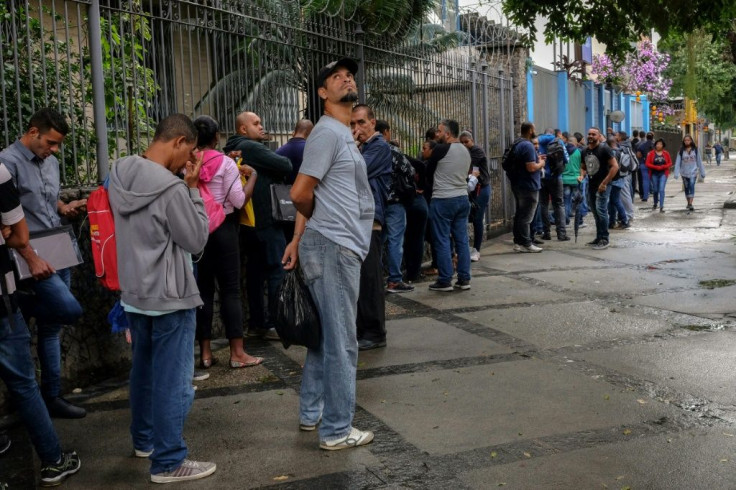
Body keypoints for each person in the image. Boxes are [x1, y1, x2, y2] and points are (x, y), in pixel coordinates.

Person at [108, 114, 216, 483]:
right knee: (173, 381)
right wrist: (192, 188)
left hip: (135, 293)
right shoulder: (171, 189)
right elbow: (196, 239)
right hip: (170, 296)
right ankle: (169, 461)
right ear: (180, 141)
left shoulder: (119, 172)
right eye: (187, 152)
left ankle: (145, 441)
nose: (187, 161)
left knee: (143, 372)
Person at [282, 57, 375, 450]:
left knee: (325, 339)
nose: (345, 79)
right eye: (336, 77)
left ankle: (311, 413)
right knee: (343, 342)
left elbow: (319, 192)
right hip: (336, 247)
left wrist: (302, 237)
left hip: (333, 245)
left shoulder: (339, 133)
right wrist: (320, 227)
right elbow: (300, 193)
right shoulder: (327, 134)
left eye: (348, 75)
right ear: (322, 93)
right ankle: (336, 430)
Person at [0, 108, 86, 419]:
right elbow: (6, 225)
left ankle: (51, 398)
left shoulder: (51, 162)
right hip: (29, 257)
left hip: (60, 249)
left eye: (58, 145)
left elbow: (47, 202)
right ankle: (22, 303)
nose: (54, 150)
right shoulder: (6, 164)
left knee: (53, 328)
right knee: (68, 310)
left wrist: (64, 206)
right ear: (33, 131)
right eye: (50, 143)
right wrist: (29, 257)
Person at [0, 162, 81, 487]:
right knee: (23, 385)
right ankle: (53, 460)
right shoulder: (3, 170)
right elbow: (18, 235)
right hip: (2, 302)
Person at [191, 116, 262, 370]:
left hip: (197, 231)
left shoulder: (189, 163)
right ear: (217, 136)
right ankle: (237, 353)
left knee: (203, 292)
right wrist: (252, 176)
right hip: (225, 229)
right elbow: (239, 200)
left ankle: (206, 354)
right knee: (231, 290)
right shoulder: (227, 164)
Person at [223, 112, 292, 341]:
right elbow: (285, 164)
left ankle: (256, 323)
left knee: (254, 273)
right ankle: (273, 323)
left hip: (246, 222)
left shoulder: (231, 148)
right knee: (275, 270)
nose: (261, 127)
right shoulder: (251, 147)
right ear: (243, 129)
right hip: (266, 220)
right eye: (256, 124)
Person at [351, 104, 392, 350]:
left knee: (370, 278)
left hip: (370, 221)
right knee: (360, 278)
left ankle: (375, 332)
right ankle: (363, 329)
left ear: (373, 123)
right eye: (352, 124)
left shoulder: (378, 146)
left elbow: (354, 170)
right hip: (358, 220)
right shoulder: (363, 147)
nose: (357, 129)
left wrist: (349, 144)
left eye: (361, 123)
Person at [425, 119, 472, 290]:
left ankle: (445, 279)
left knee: (442, 240)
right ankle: (464, 278)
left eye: (439, 131)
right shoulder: (466, 150)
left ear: (448, 133)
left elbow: (428, 172)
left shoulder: (440, 149)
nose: (436, 134)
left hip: (443, 199)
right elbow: (467, 174)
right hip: (462, 198)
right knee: (462, 240)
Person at [375, 119, 416, 293]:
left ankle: (375, 278)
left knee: (377, 241)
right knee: (395, 240)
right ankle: (394, 279)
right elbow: (410, 170)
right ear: (385, 132)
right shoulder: (391, 150)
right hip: (395, 202)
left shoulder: (367, 150)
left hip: (376, 202)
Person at [507, 123, 545, 252]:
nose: (535, 131)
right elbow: (531, 167)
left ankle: (518, 242)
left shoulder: (517, 143)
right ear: (530, 130)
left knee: (520, 214)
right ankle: (526, 243)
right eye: (534, 129)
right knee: (526, 216)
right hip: (528, 186)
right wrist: (541, 163)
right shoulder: (527, 145)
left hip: (518, 184)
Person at [580, 127, 619, 250]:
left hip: (603, 185)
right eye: (589, 134)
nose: (591, 136)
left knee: (601, 211)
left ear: (598, 136)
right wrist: (581, 175)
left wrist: (605, 183)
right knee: (596, 213)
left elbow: (615, 166)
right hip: (591, 185)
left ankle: (604, 238)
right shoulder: (584, 150)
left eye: (594, 134)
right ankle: (599, 236)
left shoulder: (604, 149)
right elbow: (583, 166)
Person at [276, 119, 314, 242]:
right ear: (311, 133)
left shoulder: (278, 152)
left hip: (283, 205)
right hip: (306, 206)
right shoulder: (311, 151)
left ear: (294, 132)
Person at [459, 131, 491, 260]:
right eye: (461, 142)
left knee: (477, 218)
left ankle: (476, 249)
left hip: (481, 189)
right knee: (467, 218)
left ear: (471, 141)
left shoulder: (476, 151)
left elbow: (468, 166)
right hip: (470, 189)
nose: (464, 144)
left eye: (466, 142)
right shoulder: (464, 153)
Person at [536, 129, 569, 241]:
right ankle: (561, 233)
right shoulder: (559, 142)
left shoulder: (537, 142)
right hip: (556, 177)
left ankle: (546, 232)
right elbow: (566, 159)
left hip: (541, 177)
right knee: (559, 204)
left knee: (543, 204)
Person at [674, 134, 706, 212]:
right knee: (686, 187)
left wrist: (702, 172)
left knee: (691, 185)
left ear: (691, 141)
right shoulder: (681, 151)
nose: (687, 141)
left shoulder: (695, 150)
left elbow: (699, 161)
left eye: (688, 140)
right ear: (683, 142)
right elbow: (678, 162)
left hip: (693, 172)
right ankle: (688, 202)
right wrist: (676, 173)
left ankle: (691, 203)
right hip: (684, 173)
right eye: (685, 140)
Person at [605, 137, 630, 230]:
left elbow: (611, 166)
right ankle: (612, 222)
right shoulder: (620, 151)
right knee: (612, 201)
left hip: (613, 179)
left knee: (615, 200)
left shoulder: (611, 153)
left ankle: (624, 220)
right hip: (620, 178)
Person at [645, 138, 673, 213]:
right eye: (657, 144)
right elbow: (647, 163)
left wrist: (663, 167)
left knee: (661, 189)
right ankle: (655, 203)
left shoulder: (666, 153)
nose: (658, 145)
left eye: (660, 144)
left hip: (663, 173)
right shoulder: (651, 153)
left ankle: (661, 206)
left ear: (663, 145)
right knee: (655, 190)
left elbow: (670, 163)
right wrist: (656, 167)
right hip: (654, 173)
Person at [561, 135, 583, 227]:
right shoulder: (579, 152)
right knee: (578, 202)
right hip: (576, 179)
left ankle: (565, 220)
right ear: (575, 143)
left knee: (566, 201)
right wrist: (581, 176)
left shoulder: (562, 151)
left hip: (564, 179)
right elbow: (582, 166)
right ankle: (579, 221)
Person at [636, 132, 654, 201]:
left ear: (646, 137)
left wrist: (642, 158)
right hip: (654, 165)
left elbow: (638, 155)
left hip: (644, 164)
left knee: (645, 181)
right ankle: (656, 196)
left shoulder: (642, 145)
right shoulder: (655, 145)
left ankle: (645, 197)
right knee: (655, 181)